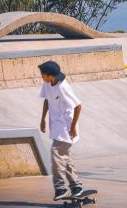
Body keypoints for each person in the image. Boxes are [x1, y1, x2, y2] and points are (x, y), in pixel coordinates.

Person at [38, 61, 84, 200]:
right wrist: (42, 119)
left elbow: (78, 106)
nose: (42, 77)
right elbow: (46, 100)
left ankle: (60, 188)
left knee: (56, 154)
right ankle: (76, 186)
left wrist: (73, 126)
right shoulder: (47, 83)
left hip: (66, 127)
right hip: (56, 125)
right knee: (64, 156)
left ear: (50, 76)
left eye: (43, 75)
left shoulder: (63, 87)